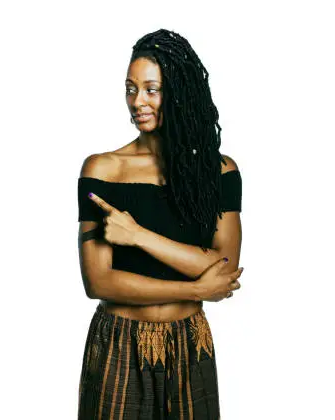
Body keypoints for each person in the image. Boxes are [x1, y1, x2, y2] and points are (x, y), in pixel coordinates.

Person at [76, 29, 244, 420]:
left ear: (180, 92)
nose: (138, 102)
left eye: (152, 89)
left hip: (190, 343)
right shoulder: (104, 170)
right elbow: (98, 282)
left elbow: (223, 269)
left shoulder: (219, 172)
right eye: (131, 89)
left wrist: (137, 236)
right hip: (119, 341)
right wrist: (194, 287)